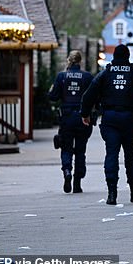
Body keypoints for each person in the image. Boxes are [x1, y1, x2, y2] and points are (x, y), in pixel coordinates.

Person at [80, 44, 133, 205]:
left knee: (111, 154)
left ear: (114, 56)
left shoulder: (105, 74)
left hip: (110, 119)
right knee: (131, 156)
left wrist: (85, 114)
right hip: (130, 119)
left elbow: (89, 95)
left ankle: (112, 193)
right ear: (127, 56)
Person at [48, 50, 94, 194]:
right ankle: (77, 183)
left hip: (66, 117)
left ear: (69, 60)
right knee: (80, 151)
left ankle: (67, 171)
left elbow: (53, 97)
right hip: (83, 117)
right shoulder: (87, 77)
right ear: (80, 61)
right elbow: (94, 96)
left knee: (66, 148)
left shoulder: (62, 76)